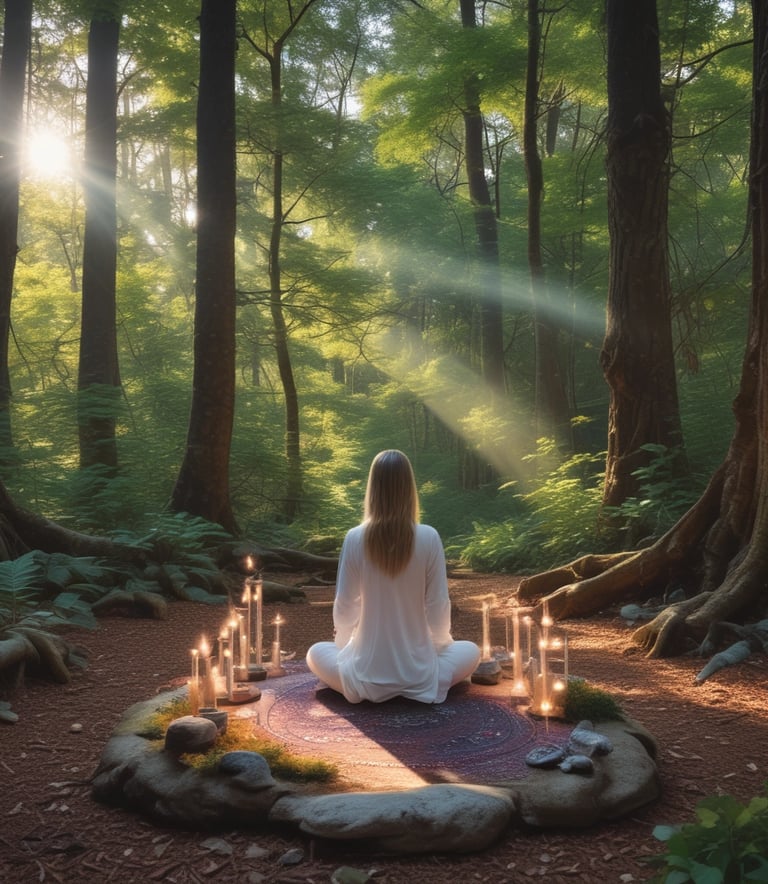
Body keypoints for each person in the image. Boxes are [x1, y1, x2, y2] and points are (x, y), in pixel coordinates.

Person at [306, 449, 480, 704]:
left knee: (316, 652)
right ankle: (418, 686)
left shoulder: (355, 537)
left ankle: (373, 685)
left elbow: (345, 606)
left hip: (364, 677)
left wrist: (344, 647)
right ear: (409, 488)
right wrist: (440, 646)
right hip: (419, 674)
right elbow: (437, 605)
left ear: (372, 488)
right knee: (471, 651)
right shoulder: (429, 537)